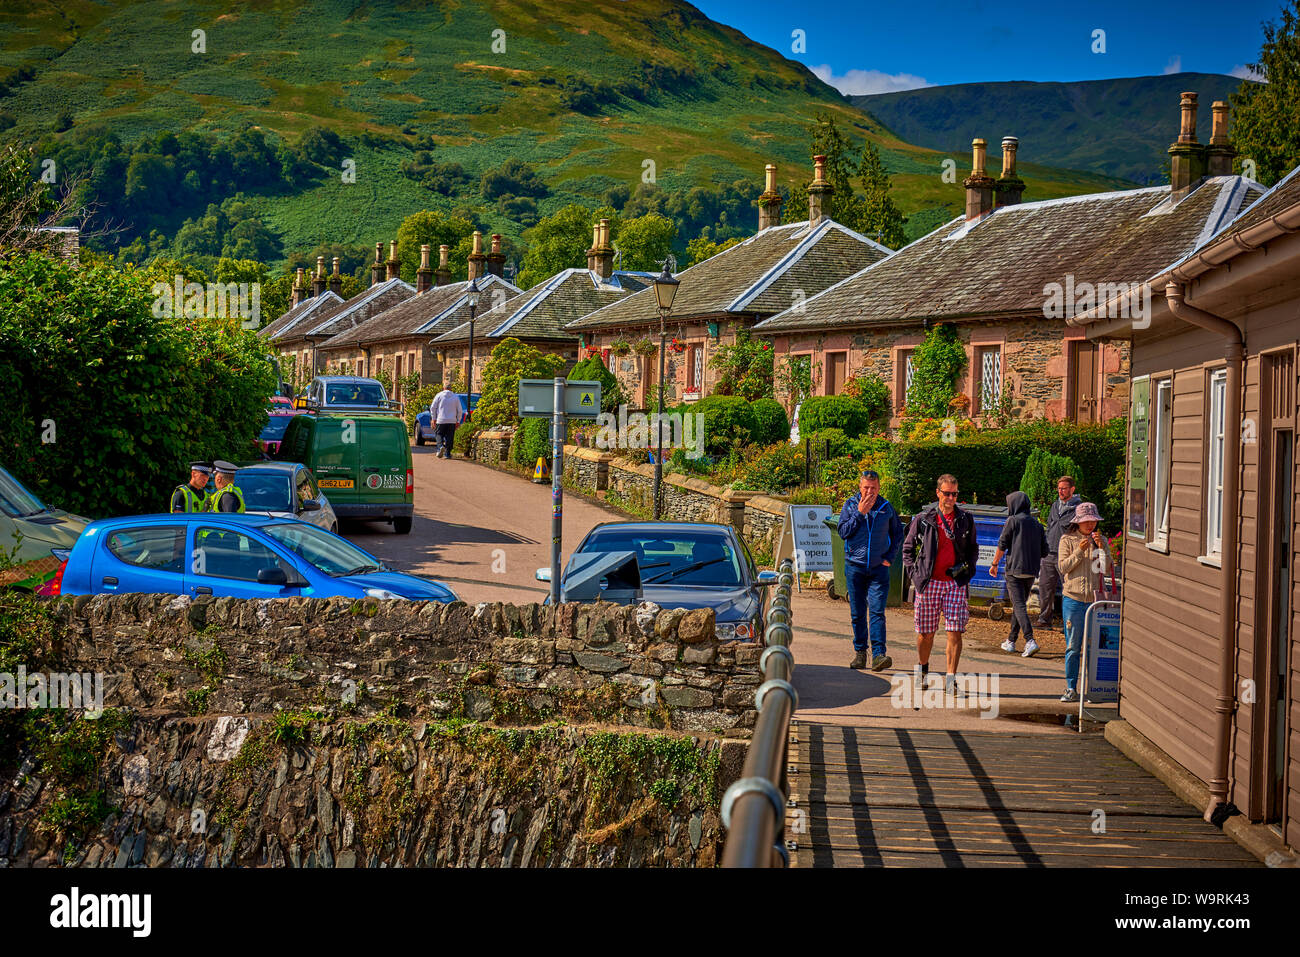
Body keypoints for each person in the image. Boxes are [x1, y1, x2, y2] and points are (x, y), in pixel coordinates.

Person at [902, 473, 978, 696]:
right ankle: (923, 670)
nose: (951, 498)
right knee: (926, 633)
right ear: (938, 493)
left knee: (955, 632)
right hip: (929, 582)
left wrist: (968, 572)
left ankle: (950, 679)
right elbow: (907, 548)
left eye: (954, 494)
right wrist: (914, 575)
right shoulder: (925, 518)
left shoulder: (965, 519)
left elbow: (973, 548)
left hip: (955, 583)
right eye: (947, 493)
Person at [837, 470, 905, 672]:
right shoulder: (850, 505)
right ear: (860, 487)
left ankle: (878, 655)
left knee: (876, 611)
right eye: (866, 487)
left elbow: (898, 534)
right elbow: (843, 532)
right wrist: (860, 513)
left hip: (878, 569)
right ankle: (860, 653)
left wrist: (889, 558)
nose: (869, 492)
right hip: (854, 567)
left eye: (873, 488)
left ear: (879, 488)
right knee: (857, 613)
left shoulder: (886, 507)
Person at [1057, 501, 1113, 703]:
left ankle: (1094, 688)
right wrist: (1080, 551)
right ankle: (1071, 687)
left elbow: (1106, 570)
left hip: (1096, 601)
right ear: (1078, 522)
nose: (1090, 525)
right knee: (1073, 646)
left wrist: (1101, 548)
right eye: (1086, 521)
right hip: (1073, 599)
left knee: (1094, 647)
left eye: (1093, 521)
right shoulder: (1067, 540)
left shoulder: (1101, 540)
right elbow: (1063, 568)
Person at [988, 491, 1049, 657]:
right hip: (1031, 571)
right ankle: (1011, 640)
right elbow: (1045, 551)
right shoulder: (1037, 525)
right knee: (1019, 604)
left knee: (1019, 605)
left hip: (1014, 569)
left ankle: (1030, 640)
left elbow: (1002, 544)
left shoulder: (1012, 520)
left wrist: (994, 564)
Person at [1035, 475, 1081, 629]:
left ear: (1072, 489)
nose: (1061, 491)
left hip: (1067, 555)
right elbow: (1049, 525)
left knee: (1069, 589)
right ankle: (1044, 620)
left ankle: (1068, 623)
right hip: (1050, 553)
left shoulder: (1078, 509)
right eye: (1059, 488)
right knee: (1045, 587)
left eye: (1064, 488)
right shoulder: (1055, 506)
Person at [429, 385, 462, 459]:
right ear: (451, 388)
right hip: (452, 421)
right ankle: (448, 454)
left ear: (443, 388)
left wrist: (433, 418)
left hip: (441, 420)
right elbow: (459, 410)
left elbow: (433, 407)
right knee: (450, 437)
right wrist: (458, 421)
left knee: (439, 434)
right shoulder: (455, 397)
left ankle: (440, 446)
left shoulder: (439, 395)